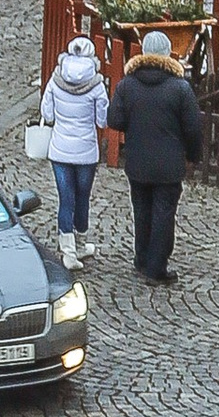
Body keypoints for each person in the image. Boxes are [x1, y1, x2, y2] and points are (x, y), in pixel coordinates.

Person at [111, 29, 205, 287]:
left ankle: (142, 259)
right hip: (169, 165)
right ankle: (156, 267)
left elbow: (114, 120)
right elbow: (193, 127)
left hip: (138, 163)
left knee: (141, 210)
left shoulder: (127, 85)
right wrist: (193, 155)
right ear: (167, 54)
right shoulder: (180, 89)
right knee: (163, 213)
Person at [40, 34, 109, 267]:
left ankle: (68, 252)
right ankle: (80, 243)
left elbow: (47, 114)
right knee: (82, 197)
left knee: (65, 198)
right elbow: (102, 120)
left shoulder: (55, 79)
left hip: (59, 149)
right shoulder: (97, 85)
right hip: (86, 151)